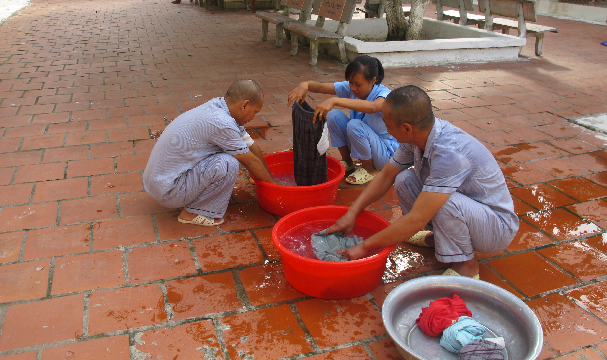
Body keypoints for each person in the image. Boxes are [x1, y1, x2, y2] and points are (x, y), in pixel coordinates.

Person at [325, 86, 519, 278]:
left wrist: (364, 246)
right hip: (469, 210)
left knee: (444, 201)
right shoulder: (416, 136)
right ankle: (439, 239)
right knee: (404, 178)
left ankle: (466, 265)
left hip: (496, 226)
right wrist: (352, 213)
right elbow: (386, 175)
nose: (386, 129)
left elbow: (417, 218)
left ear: (406, 128)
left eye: (387, 124)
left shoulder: (448, 153)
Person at [143, 80, 278, 226]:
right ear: (244, 105)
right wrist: (276, 187)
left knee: (227, 152)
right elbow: (250, 161)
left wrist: (262, 177)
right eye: (255, 112)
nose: (254, 117)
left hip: (158, 181)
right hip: (169, 190)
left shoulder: (220, 106)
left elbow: (251, 146)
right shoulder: (221, 123)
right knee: (227, 163)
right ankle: (193, 213)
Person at [287, 55, 399, 185]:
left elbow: (373, 107)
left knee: (354, 125)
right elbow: (319, 87)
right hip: (365, 144)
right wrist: (304, 84)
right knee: (334, 115)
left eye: (358, 84)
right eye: (350, 82)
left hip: (385, 154)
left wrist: (334, 100)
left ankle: (370, 170)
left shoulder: (385, 95)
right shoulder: (351, 88)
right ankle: (348, 162)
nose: (353, 88)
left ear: (373, 81)